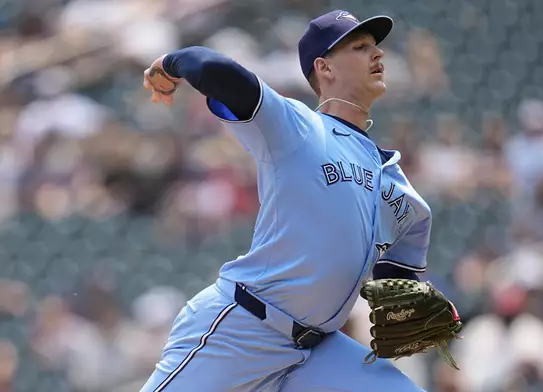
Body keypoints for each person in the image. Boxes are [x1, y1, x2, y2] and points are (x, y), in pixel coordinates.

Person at [140, 9, 435, 392]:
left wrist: (413, 316)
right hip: (244, 331)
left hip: (319, 352)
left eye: (376, 47)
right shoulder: (296, 127)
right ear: (324, 67)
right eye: (360, 47)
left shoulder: (399, 187)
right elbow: (212, 68)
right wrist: (168, 63)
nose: (377, 54)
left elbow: (398, 285)